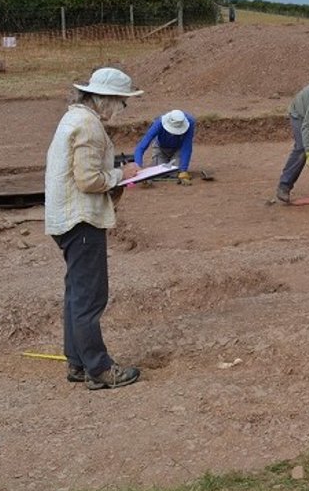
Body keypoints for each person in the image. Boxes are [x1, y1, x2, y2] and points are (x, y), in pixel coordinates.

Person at [44, 67, 144, 390]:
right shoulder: (89, 126)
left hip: (65, 219)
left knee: (77, 293)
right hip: (81, 219)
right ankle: (99, 368)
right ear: (107, 99)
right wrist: (122, 175)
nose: (121, 110)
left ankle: (77, 361)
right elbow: (88, 180)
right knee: (90, 297)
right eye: (121, 102)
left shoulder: (73, 119)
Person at [134, 109, 200, 184]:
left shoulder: (190, 122)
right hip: (161, 149)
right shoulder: (159, 123)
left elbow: (186, 146)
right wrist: (138, 167)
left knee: (175, 173)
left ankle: (173, 166)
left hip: (178, 150)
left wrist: (183, 170)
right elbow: (141, 147)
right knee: (160, 173)